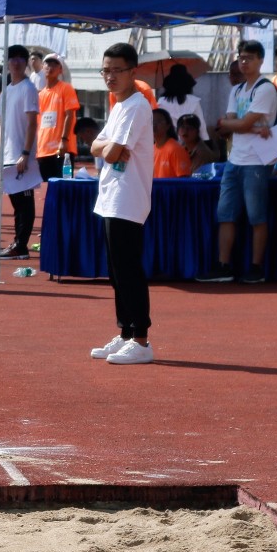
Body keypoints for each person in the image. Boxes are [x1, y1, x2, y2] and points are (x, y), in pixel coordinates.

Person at [89, 44, 157, 364]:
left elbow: (115, 153)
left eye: (117, 70)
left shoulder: (137, 106)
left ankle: (141, 340)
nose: (110, 76)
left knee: (128, 269)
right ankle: (126, 332)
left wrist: (110, 149)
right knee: (116, 271)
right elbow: (96, 146)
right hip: (110, 197)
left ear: (133, 72)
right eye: (106, 70)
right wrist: (108, 147)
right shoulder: (118, 105)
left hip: (128, 197)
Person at [201, 40, 277, 283]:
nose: (244, 63)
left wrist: (238, 125)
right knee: (225, 214)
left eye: (250, 58)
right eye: (242, 58)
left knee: (257, 215)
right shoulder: (236, 90)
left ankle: (256, 267)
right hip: (236, 159)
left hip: (257, 160)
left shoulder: (265, 88)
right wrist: (250, 127)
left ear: (260, 60)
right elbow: (225, 125)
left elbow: (235, 123)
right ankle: (224, 264)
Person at [0, 44, 40, 260]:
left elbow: (32, 123)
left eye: (21, 58)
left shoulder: (28, 88)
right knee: (15, 199)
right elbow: (1, 126)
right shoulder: (7, 89)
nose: (17, 61)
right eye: (13, 58)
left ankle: (21, 244)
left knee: (24, 201)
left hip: (22, 154)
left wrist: (25, 153)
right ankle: (18, 243)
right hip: (7, 154)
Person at [35, 54, 78, 181]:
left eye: (55, 64)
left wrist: (64, 140)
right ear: (43, 67)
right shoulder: (40, 95)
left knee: (66, 184)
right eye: (48, 64)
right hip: (43, 151)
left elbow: (70, 115)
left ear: (60, 70)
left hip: (63, 151)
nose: (50, 67)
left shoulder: (66, 88)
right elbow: (38, 123)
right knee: (46, 189)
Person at [151, 109, 191, 178]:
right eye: (151, 122)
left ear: (168, 126)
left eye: (158, 121)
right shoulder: (152, 149)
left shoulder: (175, 149)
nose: (154, 125)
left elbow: (184, 181)